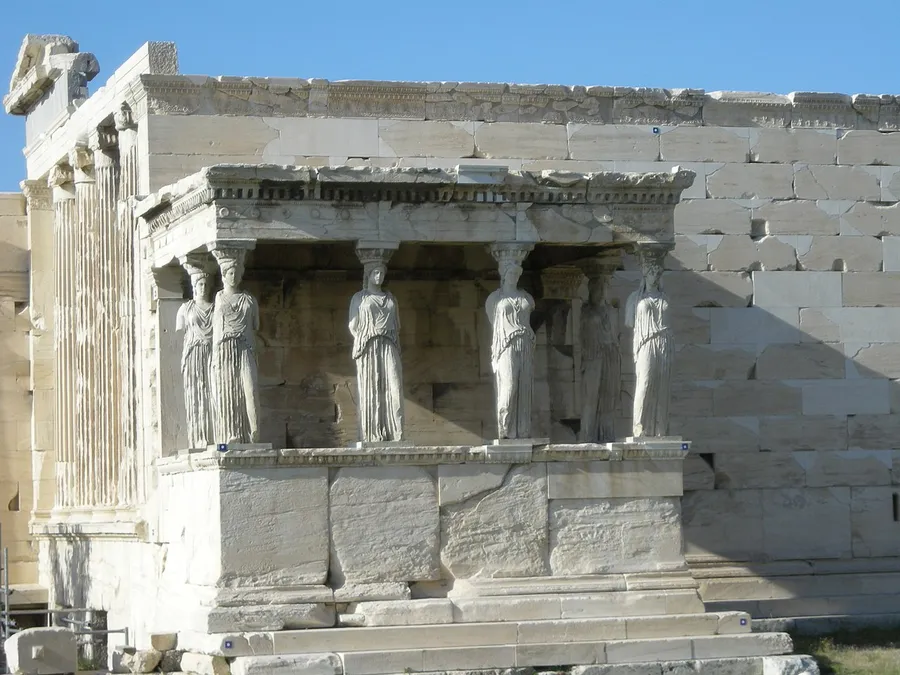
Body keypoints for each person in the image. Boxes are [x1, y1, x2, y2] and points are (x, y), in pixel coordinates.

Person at [349, 262, 404, 442]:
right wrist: (364, 337)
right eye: (376, 273)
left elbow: (397, 325)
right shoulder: (359, 297)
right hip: (368, 344)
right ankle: (371, 435)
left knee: (394, 385)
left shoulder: (391, 298)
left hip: (389, 343)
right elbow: (352, 325)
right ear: (369, 274)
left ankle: (395, 433)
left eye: (382, 273)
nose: (379, 276)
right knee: (371, 386)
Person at [211, 250, 260, 444]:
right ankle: (231, 436)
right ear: (223, 275)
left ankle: (254, 433)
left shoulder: (249, 300)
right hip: (225, 348)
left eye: (236, 273)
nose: (233, 276)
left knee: (250, 389)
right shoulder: (218, 299)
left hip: (246, 347)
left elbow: (256, 325)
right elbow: (216, 330)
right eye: (230, 272)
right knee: (228, 391)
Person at [486, 263, 536, 439]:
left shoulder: (526, 297)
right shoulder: (494, 298)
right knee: (509, 386)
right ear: (504, 275)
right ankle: (505, 430)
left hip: (526, 343)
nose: (513, 276)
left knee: (524, 387)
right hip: (505, 345)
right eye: (510, 273)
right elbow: (493, 321)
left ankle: (522, 430)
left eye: (516, 273)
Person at [625, 259, 673, 438]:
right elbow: (630, 322)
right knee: (644, 383)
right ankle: (639, 427)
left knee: (662, 386)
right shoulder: (635, 298)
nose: (655, 276)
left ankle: (660, 429)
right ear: (645, 274)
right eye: (652, 272)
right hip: (645, 342)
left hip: (665, 342)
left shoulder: (665, 298)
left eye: (658, 273)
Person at [580, 273, 620, 443]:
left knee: (609, 397)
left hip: (610, 355)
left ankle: (606, 434)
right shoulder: (585, 311)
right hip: (592, 356)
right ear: (591, 290)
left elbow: (615, 335)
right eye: (598, 289)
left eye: (604, 288)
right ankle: (587, 436)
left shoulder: (612, 311)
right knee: (591, 397)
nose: (602, 292)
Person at [176, 267, 214, 448]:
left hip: (211, 354)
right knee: (195, 395)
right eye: (200, 284)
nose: (203, 287)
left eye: (206, 284)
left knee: (212, 394)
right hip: (193, 354)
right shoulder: (185, 309)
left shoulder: (215, 308)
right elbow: (180, 330)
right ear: (194, 286)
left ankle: (213, 437)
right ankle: (197, 438)